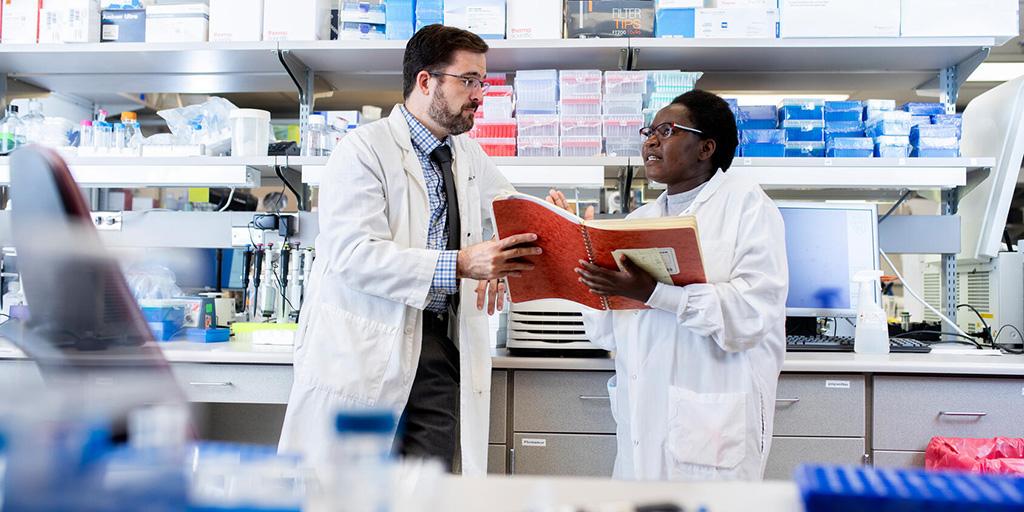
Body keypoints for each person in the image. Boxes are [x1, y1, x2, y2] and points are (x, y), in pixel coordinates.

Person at [278, 24, 538, 474]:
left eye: (483, 82)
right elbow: (353, 254)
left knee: (427, 488)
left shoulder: (467, 154)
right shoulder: (363, 150)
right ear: (426, 81)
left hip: (439, 344)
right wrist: (461, 263)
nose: (480, 94)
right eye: (468, 80)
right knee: (351, 494)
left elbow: (508, 211)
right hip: (367, 343)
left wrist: (550, 222)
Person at [554, 90, 788, 480]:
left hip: (711, 426)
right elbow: (607, 335)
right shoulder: (640, 220)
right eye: (649, 131)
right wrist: (576, 253)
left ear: (706, 147)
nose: (650, 141)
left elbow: (751, 316)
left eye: (667, 130)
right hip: (641, 428)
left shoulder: (747, 205)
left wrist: (654, 293)